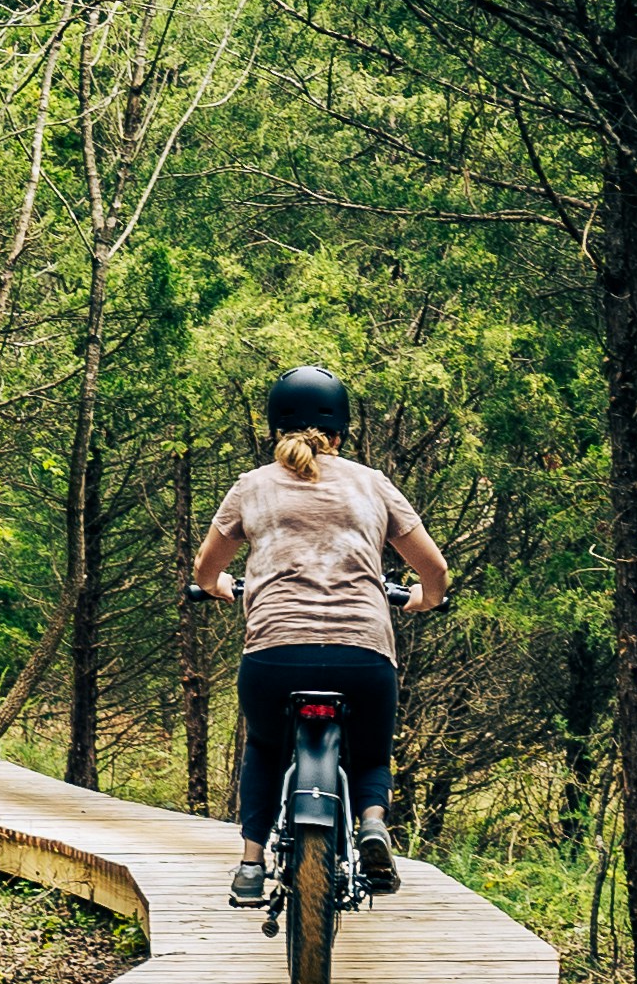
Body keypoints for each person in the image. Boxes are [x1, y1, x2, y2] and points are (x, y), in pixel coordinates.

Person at [187, 365, 451, 905]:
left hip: (276, 652)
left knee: (263, 747)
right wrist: (426, 598)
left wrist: (218, 588)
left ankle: (250, 862)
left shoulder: (250, 487)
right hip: (363, 653)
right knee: (372, 753)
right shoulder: (372, 484)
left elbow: (204, 571)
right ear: (340, 431)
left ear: (275, 426)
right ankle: (373, 823)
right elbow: (436, 571)